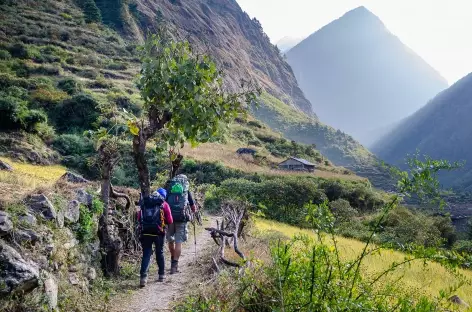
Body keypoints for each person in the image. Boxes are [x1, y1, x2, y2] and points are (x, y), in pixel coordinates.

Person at [138, 188, 173, 287]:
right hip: (159, 233)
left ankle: (143, 278)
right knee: (159, 253)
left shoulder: (145, 203)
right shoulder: (164, 204)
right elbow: (170, 220)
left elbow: (139, 217)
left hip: (146, 232)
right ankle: (161, 275)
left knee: (146, 254)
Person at [165, 174, 197, 274]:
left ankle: (172, 258)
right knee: (178, 242)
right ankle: (174, 266)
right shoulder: (186, 190)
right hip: (181, 219)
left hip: (169, 218)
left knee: (170, 240)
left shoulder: (169, 187)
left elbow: (164, 202)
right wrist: (193, 211)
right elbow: (193, 206)